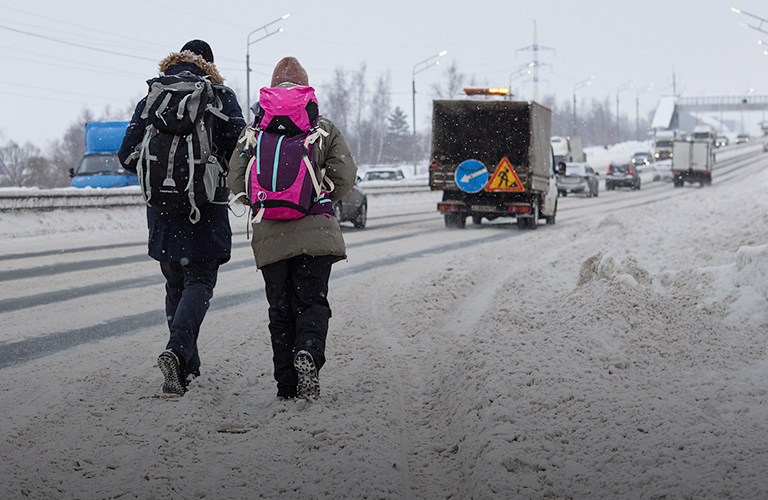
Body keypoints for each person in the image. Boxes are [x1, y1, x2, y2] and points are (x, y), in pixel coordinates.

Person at [118, 40, 246, 396]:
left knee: (176, 284)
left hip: (162, 210)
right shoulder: (220, 96)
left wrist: (163, 175)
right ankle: (176, 351)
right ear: (211, 65)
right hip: (205, 208)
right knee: (200, 282)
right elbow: (241, 149)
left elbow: (126, 155)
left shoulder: (153, 96)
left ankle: (186, 369)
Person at [228, 57, 357, 400]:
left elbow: (235, 179)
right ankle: (309, 353)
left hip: (270, 236)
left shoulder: (253, 131)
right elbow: (345, 175)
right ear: (306, 89)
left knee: (280, 310)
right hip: (316, 232)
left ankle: (286, 386)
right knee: (312, 303)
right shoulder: (323, 128)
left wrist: (261, 202)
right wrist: (319, 195)